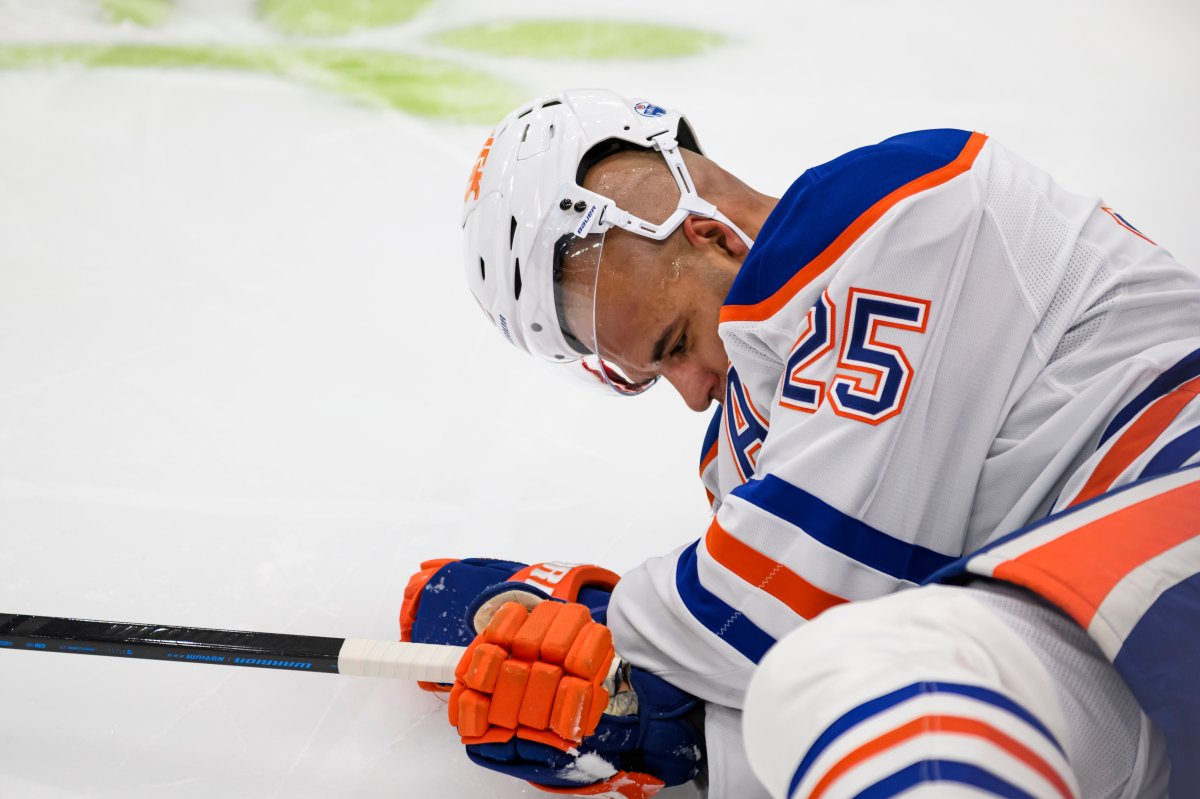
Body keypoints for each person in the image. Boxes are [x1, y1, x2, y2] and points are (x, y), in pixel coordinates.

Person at [407, 89, 1200, 797]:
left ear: (712, 236)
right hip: (1120, 646)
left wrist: (584, 623)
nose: (689, 393)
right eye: (651, 374)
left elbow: (792, 602)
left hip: (1169, 503)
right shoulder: (744, 453)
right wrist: (642, 724)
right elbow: (801, 654)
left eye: (677, 340)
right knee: (816, 699)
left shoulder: (889, 209)